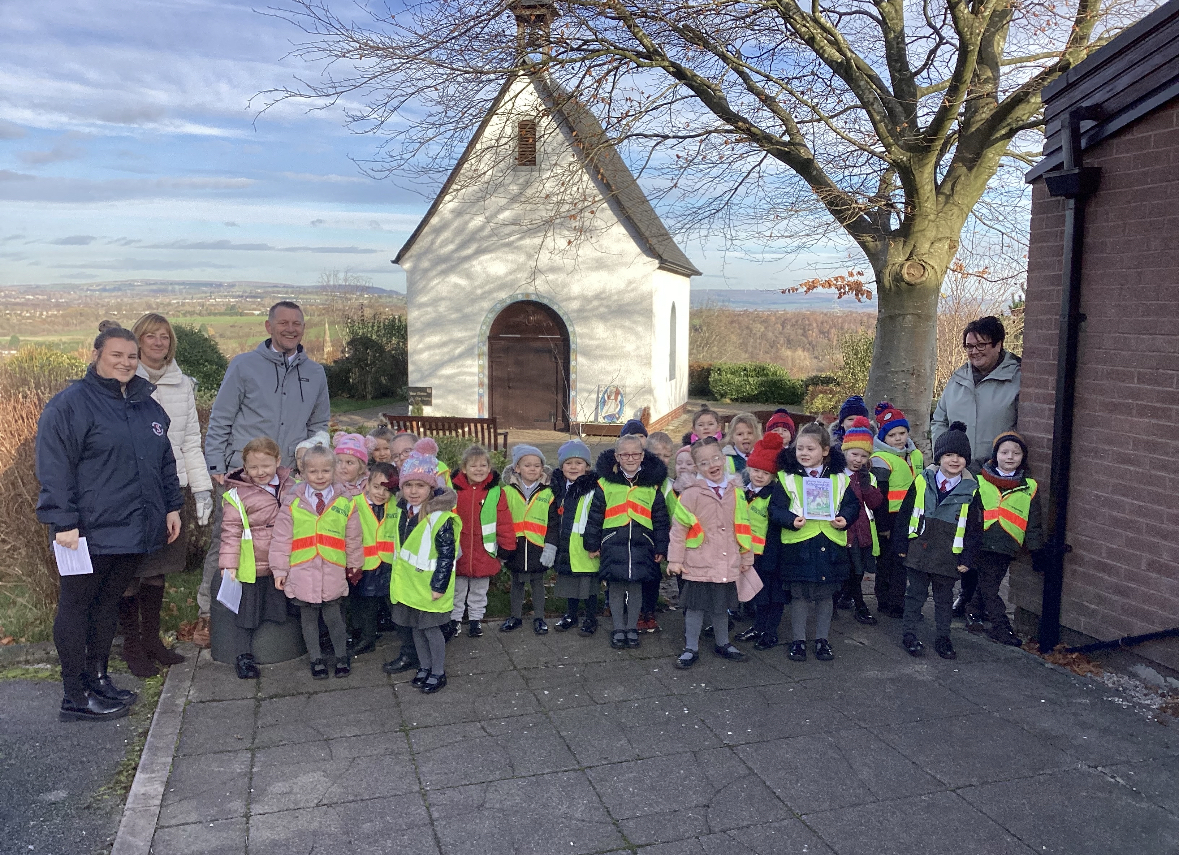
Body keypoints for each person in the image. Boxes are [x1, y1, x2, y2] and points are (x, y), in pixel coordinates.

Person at [36, 322, 183, 722]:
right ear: (97, 355)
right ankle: (74, 696)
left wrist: (172, 505)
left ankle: (98, 678)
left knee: (106, 605)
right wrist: (63, 521)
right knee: (77, 605)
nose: (125, 362)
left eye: (131, 356)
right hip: (84, 530)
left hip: (133, 528)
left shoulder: (146, 404)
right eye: (116, 355)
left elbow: (164, 461)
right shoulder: (70, 405)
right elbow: (54, 467)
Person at [194, 301, 331, 648]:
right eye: (283, 322)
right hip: (241, 476)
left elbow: (319, 425)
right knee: (225, 543)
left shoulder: (314, 373)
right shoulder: (244, 366)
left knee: (284, 545)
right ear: (268, 327)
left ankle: (282, 619)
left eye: (297, 323)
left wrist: (307, 460)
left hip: (287, 480)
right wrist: (217, 466)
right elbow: (222, 418)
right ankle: (210, 614)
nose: (290, 329)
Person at [114, 313, 212, 678]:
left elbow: (189, 441)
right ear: (137, 341)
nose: (158, 342)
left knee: (158, 569)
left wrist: (201, 487)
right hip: (131, 490)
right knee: (130, 571)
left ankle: (152, 639)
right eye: (150, 336)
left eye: (165, 337)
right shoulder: (122, 379)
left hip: (172, 488)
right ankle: (132, 644)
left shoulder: (181, 384)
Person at [269, 443, 362, 680]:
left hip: (332, 569)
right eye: (313, 471)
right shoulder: (293, 503)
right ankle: (316, 658)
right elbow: (281, 539)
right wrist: (279, 570)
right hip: (302, 570)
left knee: (334, 617)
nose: (319, 477)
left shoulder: (345, 501)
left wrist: (355, 564)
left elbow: (353, 536)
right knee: (308, 618)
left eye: (325, 471)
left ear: (334, 470)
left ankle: (341, 656)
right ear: (302, 472)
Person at [893, 421, 984, 660]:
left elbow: (975, 527)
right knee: (915, 595)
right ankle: (909, 634)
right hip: (919, 549)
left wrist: (968, 557)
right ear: (939, 457)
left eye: (960, 456)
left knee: (944, 600)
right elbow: (905, 513)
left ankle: (943, 637)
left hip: (948, 555)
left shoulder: (972, 490)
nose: (954, 461)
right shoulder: (922, 481)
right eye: (948, 455)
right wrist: (901, 544)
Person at [770, 422, 860, 663]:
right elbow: (775, 509)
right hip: (799, 547)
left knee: (825, 595)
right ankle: (798, 640)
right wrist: (790, 520)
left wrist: (845, 519)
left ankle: (822, 640)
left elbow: (852, 505)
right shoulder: (786, 478)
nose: (804, 453)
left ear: (825, 450)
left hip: (830, 545)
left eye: (810, 449)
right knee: (799, 596)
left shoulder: (840, 478)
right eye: (800, 448)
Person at [667, 437, 757, 668]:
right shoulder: (691, 494)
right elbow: (679, 529)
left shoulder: (735, 491)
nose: (713, 465)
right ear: (697, 468)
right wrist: (675, 559)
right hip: (698, 562)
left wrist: (746, 556)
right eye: (705, 463)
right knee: (695, 607)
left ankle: (723, 643)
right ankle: (691, 647)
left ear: (724, 459)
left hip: (726, 562)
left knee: (721, 606)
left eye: (716, 458)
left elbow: (743, 525)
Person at [218, 437, 296, 679]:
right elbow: (231, 530)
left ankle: (308, 643)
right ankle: (243, 656)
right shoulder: (237, 495)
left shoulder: (291, 485)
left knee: (293, 604)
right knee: (248, 612)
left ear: (278, 461)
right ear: (244, 466)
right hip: (255, 563)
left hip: (286, 560)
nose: (260, 472)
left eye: (266, 466)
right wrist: (229, 564)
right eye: (253, 467)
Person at [584, 435, 671, 649]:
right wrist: (592, 544)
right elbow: (595, 516)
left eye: (635, 454)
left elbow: (660, 518)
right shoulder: (605, 484)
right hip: (613, 543)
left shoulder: (652, 485)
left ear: (642, 456)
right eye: (625, 454)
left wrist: (661, 546)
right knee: (615, 588)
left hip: (643, 544)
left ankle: (632, 628)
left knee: (635, 589)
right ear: (617, 457)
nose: (630, 458)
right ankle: (618, 628)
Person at [389, 441, 460, 694]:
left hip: (430, 586)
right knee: (416, 627)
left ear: (431, 488)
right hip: (410, 585)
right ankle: (424, 666)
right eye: (408, 485)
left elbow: (446, 556)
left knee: (431, 629)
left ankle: (438, 671)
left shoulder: (440, 518)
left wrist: (439, 586)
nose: (413, 491)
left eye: (420, 485)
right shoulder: (402, 511)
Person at [969, 431, 1045, 646]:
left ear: (1023, 457)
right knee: (989, 586)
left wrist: (1036, 550)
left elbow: (1034, 522)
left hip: (1006, 543)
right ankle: (1000, 627)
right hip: (980, 540)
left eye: (1016, 453)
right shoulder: (979, 478)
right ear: (995, 455)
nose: (1010, 457)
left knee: (988, 584)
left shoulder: (1029, 486)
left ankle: (974, 612)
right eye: (1004, 452)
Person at [931, 316, 1021, 470]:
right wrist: (944, 454)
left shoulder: (1017, 379)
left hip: (998, 474)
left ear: (998, 345)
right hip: (956, 473)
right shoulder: (958, 378)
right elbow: (940, 420)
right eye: (969, 346)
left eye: (980, 345)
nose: (974, 352)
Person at [451, 445, 516, 638]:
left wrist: (507, 546)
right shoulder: (453, 491)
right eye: (473, 466)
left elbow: (504, 521)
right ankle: (454, 620)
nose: (478, 469)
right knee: (457, 590)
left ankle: (475, 620)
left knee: (479, 591)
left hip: (484, 550)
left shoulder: (495, 492)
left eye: (483, 465)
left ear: (489, 468)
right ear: (463, 468)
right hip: (459, 550)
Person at [870, 402, 924, 619]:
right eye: (892, 435)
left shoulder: (915, 456)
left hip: (912, 516)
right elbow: (880, 498)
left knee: (903, 562)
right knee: (888, 562)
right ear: (883, 438)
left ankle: (896, 600)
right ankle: (888, 601)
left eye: (902, 433)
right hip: (890, 518)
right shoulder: (881, 460)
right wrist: (883, 526)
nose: (899, 438)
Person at [542, 440, 601, 635]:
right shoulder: (558, 488)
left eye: (579, 463)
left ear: (587, 467)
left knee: (588, 585)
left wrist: (596, 543)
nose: (574, 467)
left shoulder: (594, 489)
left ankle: (591, 618)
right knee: (570, 582)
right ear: (561, 466)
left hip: (586, 546)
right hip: (565, 544)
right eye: (569, 463)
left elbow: (597, 517)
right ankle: (571, 614)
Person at [735, 432, 786, 649]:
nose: (759, 476)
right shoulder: (744, 491)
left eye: (765, 473)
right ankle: (758, 626)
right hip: (750, 552)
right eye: (755, 470)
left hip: (770, 553)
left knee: (773, 594)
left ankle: (770, 631)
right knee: (758, 593)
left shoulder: (774, 495)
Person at [500, 445, 555, 634]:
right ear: (517, 468)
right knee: (516, 582)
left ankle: (539, 617)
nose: (532, 469)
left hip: (537, 545)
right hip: (514, 545)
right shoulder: (507, 491)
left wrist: (550, 547)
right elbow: (501, 519)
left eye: (537, 466)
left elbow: (554, 523)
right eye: (527, 465)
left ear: (542, 469)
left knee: (538, 583)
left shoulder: (548, 492)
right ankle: (515, 616)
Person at [835, 417, 884, 625]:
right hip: (843, 529)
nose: (858, 459)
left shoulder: (868, 477)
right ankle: (856, 603)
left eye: (864, 456)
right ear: (845, 452)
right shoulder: (836, 475)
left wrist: (865, 484)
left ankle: (846, 599)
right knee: (848, 569)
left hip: (863, 531)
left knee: (859, 569)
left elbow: (875, 502)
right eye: (854, 454)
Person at [348, 462, 400, 656]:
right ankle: (367, 638)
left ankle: (405, 636)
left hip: (390, 563)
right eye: (376, 487)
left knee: (395, 603)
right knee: (366, 605)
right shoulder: (354, 503)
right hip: (365, 564)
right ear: (367, 484)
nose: (381, 493)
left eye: (386, 489)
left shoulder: (397, 504)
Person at [639, 432, 677, 632]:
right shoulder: (639, 479)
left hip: (659, 537)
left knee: (653, 576)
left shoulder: (668, 484)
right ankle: (637, 610)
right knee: (638, 576)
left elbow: (674, 512)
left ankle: (649, 611)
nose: (662, 459)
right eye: (657, 454)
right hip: (639, 535)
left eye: (666, 455)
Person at [333, 433, 369, 497]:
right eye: (339, 461)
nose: (343, 466)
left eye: (349, 463)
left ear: (361, 468)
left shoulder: (368, 485)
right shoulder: (331, 485)